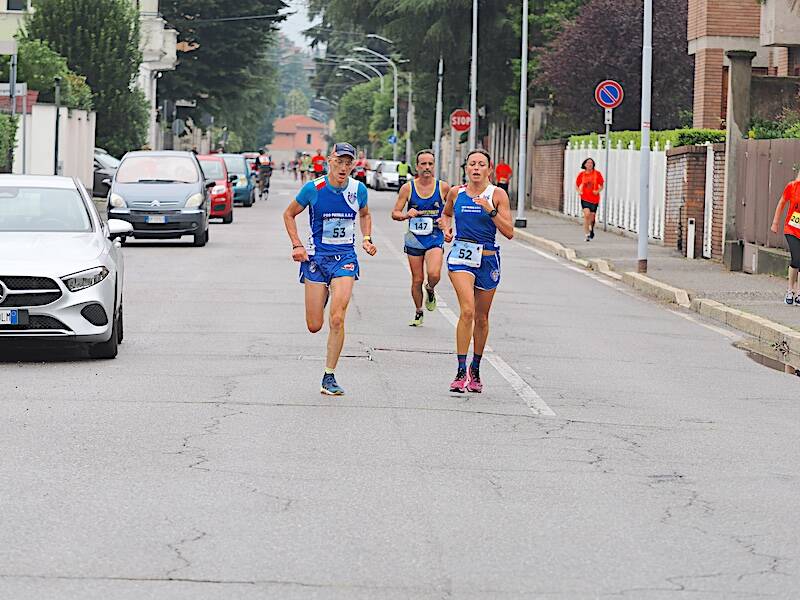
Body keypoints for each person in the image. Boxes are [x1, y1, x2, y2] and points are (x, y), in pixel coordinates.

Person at [282, 142, 377, 395]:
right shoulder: (314, 189)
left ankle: (329, 375)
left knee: (337, 317)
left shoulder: (358, 190)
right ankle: (323, 293)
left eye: (348, 163)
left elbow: (365, 215)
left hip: (344, 257)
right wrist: (296, 245)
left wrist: (367, 239)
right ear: (329, 162)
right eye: (339, 162)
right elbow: (289, 214)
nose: (343, 167)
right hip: (315, 259)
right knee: (314, 325)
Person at [439, 149, 514, 393]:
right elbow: (446, 213)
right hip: (461, 257)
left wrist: (490, 210)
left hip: (488, 260)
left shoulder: (497, 194)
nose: (476, 168)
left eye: (481, 164)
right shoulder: (456, 192)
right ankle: (460, 370)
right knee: (468, 311)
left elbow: (509, 232)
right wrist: (447, 229)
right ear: (466, 168)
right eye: (472, 164)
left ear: (489, 170)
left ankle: (476, 368)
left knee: (481, 318)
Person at [391, 150, 451, 326]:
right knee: (417, 279)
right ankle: (418, 311)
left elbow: (451, 211)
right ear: (417, 166)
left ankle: (430, 289)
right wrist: (405, 215)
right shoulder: (408, 188)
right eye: (423, 164)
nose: (427, 167)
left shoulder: (443, 187)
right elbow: (395, 213)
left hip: (434, 236)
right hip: (414, 238)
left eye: (430, 164)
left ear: (434, 166)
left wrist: (445, 225)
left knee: (434, 273)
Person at [771, 171, 800, 305]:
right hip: (791, 229)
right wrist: (775, 223)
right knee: (797, 258)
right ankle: (790, 290)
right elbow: (782, 202)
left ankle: (799, 293)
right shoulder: (792, 186)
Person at [575, 157, 604, 242]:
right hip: (585, 198)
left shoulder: (597, 174)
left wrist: (597, 191)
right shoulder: (582, 174)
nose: (589, 164)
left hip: (594, 199)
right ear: (584, 165)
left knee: (592, 218)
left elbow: (602, 185)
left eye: (591, 163)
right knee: (586, 215)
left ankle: (591, 229)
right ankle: (587, 234)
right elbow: (577, 185)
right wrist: (579, 191)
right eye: (588, 163)